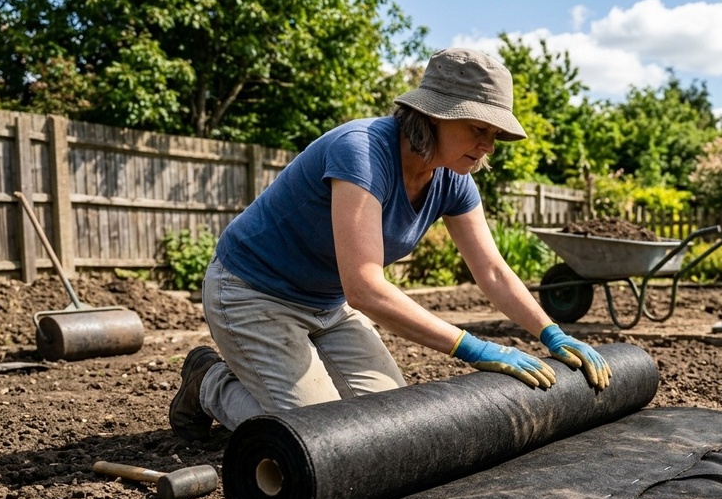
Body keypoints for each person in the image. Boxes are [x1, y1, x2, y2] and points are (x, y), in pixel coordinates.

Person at [168, 47, 610, 442]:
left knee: (388, 425)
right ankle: (211, 383)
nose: (487, 146)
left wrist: (551, 332)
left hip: (328, 303)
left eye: (495, 135)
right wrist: (473, 347)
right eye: (478, 128)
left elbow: (491, 271)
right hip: (252, 291)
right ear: (436, 114)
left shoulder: (453, 179)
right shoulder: (360, 150)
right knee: (323, 435)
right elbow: (364, 288)